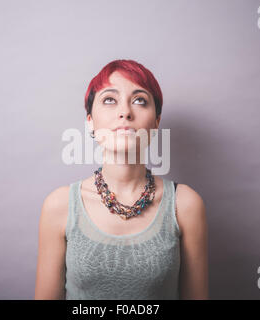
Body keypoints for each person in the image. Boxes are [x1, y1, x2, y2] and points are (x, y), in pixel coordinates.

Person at [34, 59, 208, 299]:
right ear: (90, 122)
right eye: (109, 100)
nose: (125, 112)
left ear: (156, 123)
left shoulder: (185, 204)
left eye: (139, 100)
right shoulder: (60, 205)